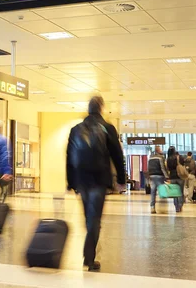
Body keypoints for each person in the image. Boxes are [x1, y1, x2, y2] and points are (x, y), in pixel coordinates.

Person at [66, 96, 125, 272]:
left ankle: (89, 253)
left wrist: (70, 181)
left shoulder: (76, 129)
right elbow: (117, 155)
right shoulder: (107, 128)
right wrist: (121, 180)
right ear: (101, 108)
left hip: (82, 180)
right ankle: (89, 258)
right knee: (94, 218)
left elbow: (69, 157)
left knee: (89, 217)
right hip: (99, 179)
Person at [147, 145, 169, 214]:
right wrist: (167, 176)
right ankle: (162, 207)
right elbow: (162, 168)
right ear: (158, 150)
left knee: (153, 192)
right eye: (160, 149)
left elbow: (148, 167)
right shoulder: (160, 157)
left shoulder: (150, 158)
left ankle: (152, 207)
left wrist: (149, 176)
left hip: (152, 176)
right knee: (162, 191)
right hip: (159, 176)